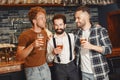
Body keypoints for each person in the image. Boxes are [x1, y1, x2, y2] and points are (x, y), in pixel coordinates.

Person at [74, 5, 112, 80]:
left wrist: (91, 46)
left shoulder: (100, 30)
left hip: (99, 72)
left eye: (78, 18)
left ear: (87, 17)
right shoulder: (77, 33)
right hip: (84, 73)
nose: (76, 20)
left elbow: (109, 49)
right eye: (75, 18)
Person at [16, 6, 51, 80]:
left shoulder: (45, 33)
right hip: (32, 70)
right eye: (41, 18)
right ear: (34, 21)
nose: (44, 20)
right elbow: (19, 56)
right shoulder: (25, 35)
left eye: (44, 18)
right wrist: (32, 45)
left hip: (45, 67)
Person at [47, 14, 80, 80]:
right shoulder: (50, 40)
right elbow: (48, 60)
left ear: (65, 25)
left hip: (72, 66)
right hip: (58, 69)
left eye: (60, 24)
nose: (58, 27)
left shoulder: (72, 36)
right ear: (53, 26)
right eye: (56, 25)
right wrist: (53, 53)